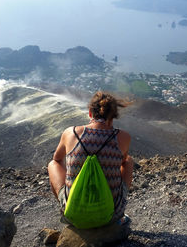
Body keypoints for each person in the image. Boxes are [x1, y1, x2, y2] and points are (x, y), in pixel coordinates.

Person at [48, 91, 133, 242]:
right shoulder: (123, 137)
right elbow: (122, 162)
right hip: (110, 216)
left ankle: (67, 208)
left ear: (89, 112)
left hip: (75, 215)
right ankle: (119, 211)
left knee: (52, 164)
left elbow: (57, 158)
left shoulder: (71, 132)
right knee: (129, 161)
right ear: (113, 116)